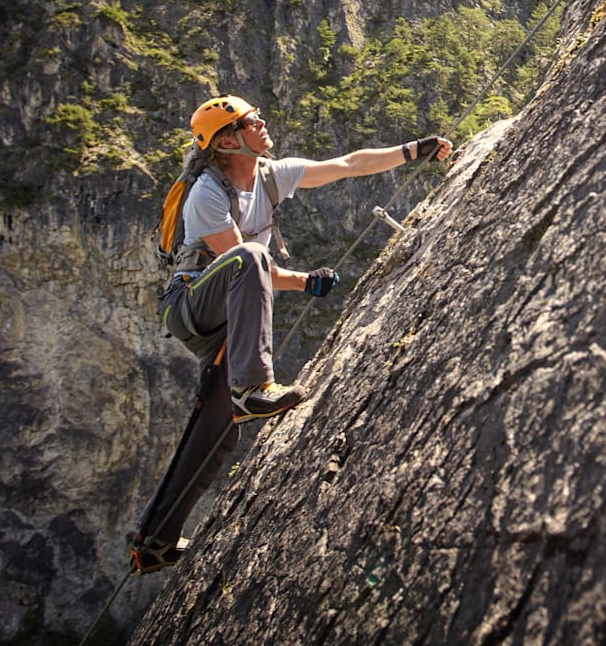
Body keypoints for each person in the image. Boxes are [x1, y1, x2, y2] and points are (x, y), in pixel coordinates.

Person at [132, 93, 452, 571]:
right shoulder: (207, 194)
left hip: (225, 310)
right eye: (251, 121)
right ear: (226, 141)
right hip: (192, 304)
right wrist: (303, 280)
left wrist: (412, 151)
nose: (262, 125)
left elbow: (344, 164)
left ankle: (154, 542)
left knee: (215, 433)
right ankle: (251, 387)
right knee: (254, 257)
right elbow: (243, 263)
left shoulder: (269, 174)